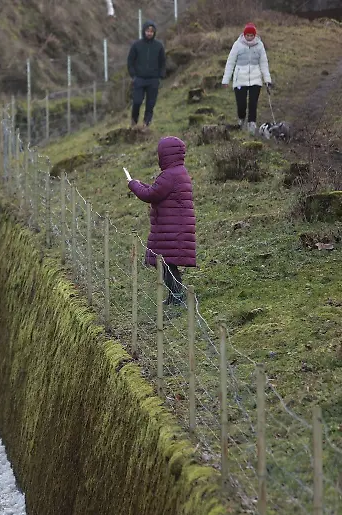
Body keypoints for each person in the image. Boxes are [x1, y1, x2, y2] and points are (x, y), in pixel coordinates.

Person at [127, 136, 196, 307]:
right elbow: (156, 191)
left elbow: (150, 195)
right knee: (167, 263)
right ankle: (176, 295)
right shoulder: (179, 172)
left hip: (171, 229)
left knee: (165, 263)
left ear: (165, 155)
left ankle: (178, 296)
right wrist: (140, 184)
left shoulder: (169, 175)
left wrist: (133, 185)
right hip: (174, 227)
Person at [221, 22, 273, 135]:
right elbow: (230, 62)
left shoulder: (259, 45)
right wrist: (226, 79)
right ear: (244, 35)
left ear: (255, 35)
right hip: (240, 79)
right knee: (241, 104)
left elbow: (264, 63)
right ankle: (241, 120)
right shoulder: (237, 45)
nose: (249, 37)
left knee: (253, 103)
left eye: (251, 35)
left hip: (255, 79)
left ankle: (252, 124)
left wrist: (267, 80)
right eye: (247, 35)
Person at [127, 20, 166, 130]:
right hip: (139, 79)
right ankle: (134, 122)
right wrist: (133, 75)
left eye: (151, 31)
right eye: (147, 31)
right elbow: (130, 61)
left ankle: (146, 124)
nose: (149, 33)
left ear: (154, 33)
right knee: (137, 101)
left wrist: (161, 75)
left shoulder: (159, 46)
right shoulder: (136, 45)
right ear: (143, 31)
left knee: (150, 103)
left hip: (153, 80)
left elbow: (163, 61)